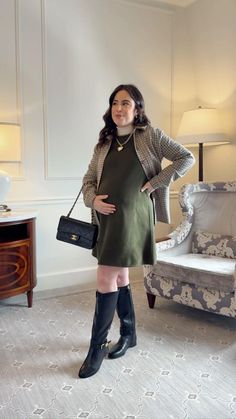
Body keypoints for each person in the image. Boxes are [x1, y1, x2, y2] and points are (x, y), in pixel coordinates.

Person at [78, 84, 195, 379]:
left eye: (126, 103)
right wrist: (93, 200)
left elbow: (185, 158)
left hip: (133, 216)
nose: (120, 108)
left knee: (106, 275)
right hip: (106, 218)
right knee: (119, 276)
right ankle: (129, 335)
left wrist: (156, 183)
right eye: (115, 103)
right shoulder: (103, 143)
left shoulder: (150, 136)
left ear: (137, 108)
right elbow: (88, 179)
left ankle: (97, 346)